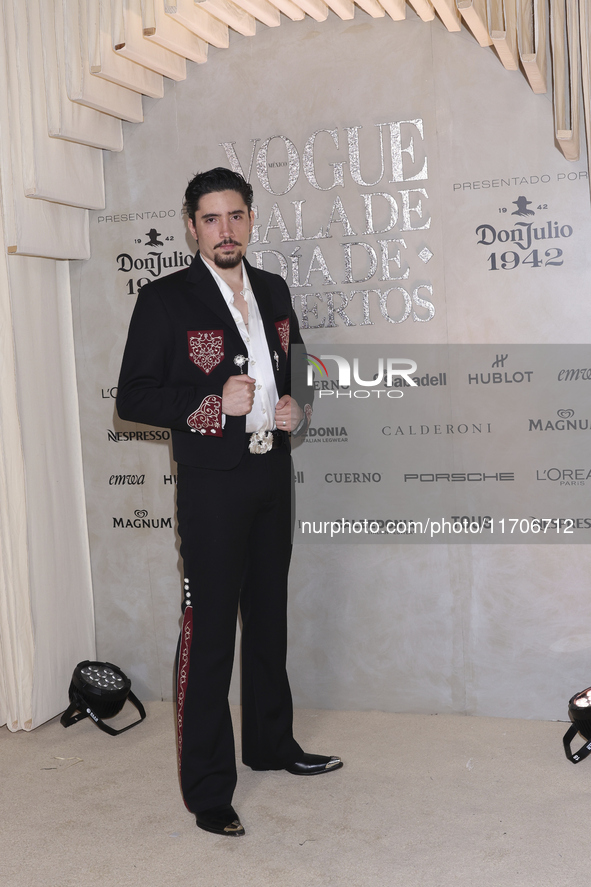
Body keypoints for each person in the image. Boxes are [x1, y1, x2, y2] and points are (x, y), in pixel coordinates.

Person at [116, 168, 342, 837]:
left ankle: (272, 745)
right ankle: (208, 788)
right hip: (212, 486)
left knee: (268, 619)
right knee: (210, 635)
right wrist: (213, 405)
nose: (225, 230)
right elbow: (135, 396)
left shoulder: (271, 287)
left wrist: (299, 403)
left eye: (235, 216)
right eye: (210, 219)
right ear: (191, 224)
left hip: (272, 477)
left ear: (249, 219)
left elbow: (298, 364)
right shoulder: (164, 299)